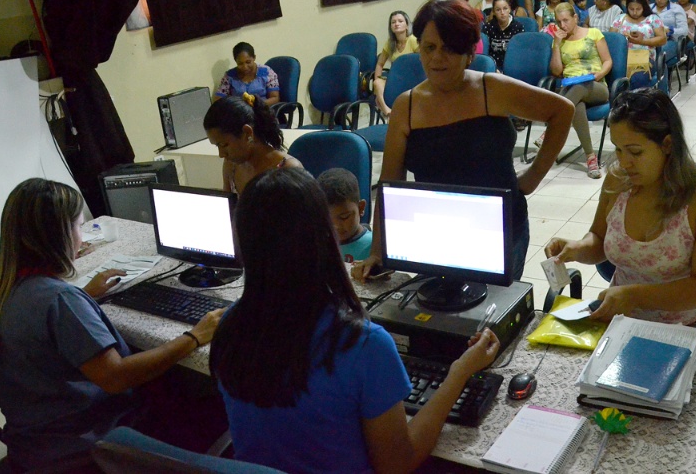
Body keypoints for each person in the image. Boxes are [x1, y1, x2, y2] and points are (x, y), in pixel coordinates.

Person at [211, 168, 500, 473]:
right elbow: (398, 464)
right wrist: (460, 371)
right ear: (324, 237)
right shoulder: (363, 345)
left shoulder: (229, 326)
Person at [0, 178, 224, 469]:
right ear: (58, 235)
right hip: (86, 442)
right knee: (205, 397)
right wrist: (193, 337)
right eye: (79, 227)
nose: (83, 238)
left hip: (34, 441)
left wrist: (82, 296)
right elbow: (116, 377)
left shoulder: (10, 289)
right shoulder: (60, 301)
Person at [352, 0, 574, 282]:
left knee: (491, 317)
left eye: (449, 49)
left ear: (469, 53)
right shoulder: (406, 107)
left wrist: (532, 177)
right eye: (429, 48)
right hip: (437, 235)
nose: (436, 59)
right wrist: (377, 251)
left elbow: (562, 111)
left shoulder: (490, 88)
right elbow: (389, 185)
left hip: (501, 230)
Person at [544, 88, 696, 325]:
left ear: (667, 144)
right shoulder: (618, 180)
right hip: (622, 315)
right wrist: (577, 248)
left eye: (635, 151)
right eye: (618, 149)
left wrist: (633, 296)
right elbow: (599, 239)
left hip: (689, 322)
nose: (624, 162)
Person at [548, 2, 613, 179]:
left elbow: (608, 61)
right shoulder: (560, 41)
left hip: (596, 86)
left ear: (575, 18)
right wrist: (556, 44)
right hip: (571, 88)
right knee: (577, 106)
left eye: (566, 20)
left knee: (580, 85)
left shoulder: (593, 34)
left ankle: (553, 125)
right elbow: (556, 71)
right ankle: (591, 158)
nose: (563, 25)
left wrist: (599, 74)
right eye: (559, 22)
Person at [203, 94, 303, 195]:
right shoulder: (231, 165)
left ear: (247, 133)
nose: (221, 154)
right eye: (217, 146)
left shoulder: (287, 170)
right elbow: (229, 206)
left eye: (224, 145)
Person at [316, 167, 371, 264]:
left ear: (361, 208)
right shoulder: (317, 243)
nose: (336, 226)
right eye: (326, 219)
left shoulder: (375, 247)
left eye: (344, 217)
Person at [611, 0, 666, 86]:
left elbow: (662, 39)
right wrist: (623, 38)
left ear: (644, 7)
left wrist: (642, 41)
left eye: (638, 9)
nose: (635, 12)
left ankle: (636, 100)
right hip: (623, 58)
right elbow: (612, 40)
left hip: (645, 58)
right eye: (631, 9)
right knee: (614, 77)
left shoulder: (652, 19)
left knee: (638, 78)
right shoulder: (620, 19)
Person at [373, 11, 419, 118]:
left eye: (400, 21)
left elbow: (423, 61)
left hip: (412, 80)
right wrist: (377, 84)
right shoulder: (390, 43)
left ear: (407, 25)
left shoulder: (413, 40)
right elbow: (380, 64)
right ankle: (388, 112)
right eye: (393, 22)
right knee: (377, 83)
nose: (396, 24)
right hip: (396, 79)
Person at [215, 42, 280, 107]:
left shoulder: (266, 72)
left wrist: (256, 104)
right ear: (235, 61)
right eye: (240, 64)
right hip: (239, 112)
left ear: (254, 58)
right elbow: (218, 101)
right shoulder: (229, 76)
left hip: (262, 111)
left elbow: (275, 98)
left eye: (248, 62)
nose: (245, 67)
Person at [651, 0, 690, 67]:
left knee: (656, 55)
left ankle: (658, 78)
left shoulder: (676, 9)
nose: (659, 0)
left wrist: (670, 30)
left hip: (670, 41)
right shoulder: (649, 9)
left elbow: (684, 30)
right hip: (650, 40)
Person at [481, 0, 525, 71]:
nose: (502, 13)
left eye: (505, 9)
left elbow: (521, 53)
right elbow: (485, 53)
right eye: (498, 10)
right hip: (494, 68)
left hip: (514, 67)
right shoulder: (487, 27)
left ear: (510, 9)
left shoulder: (518, 27)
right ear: (494, 12)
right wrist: (493, 68)